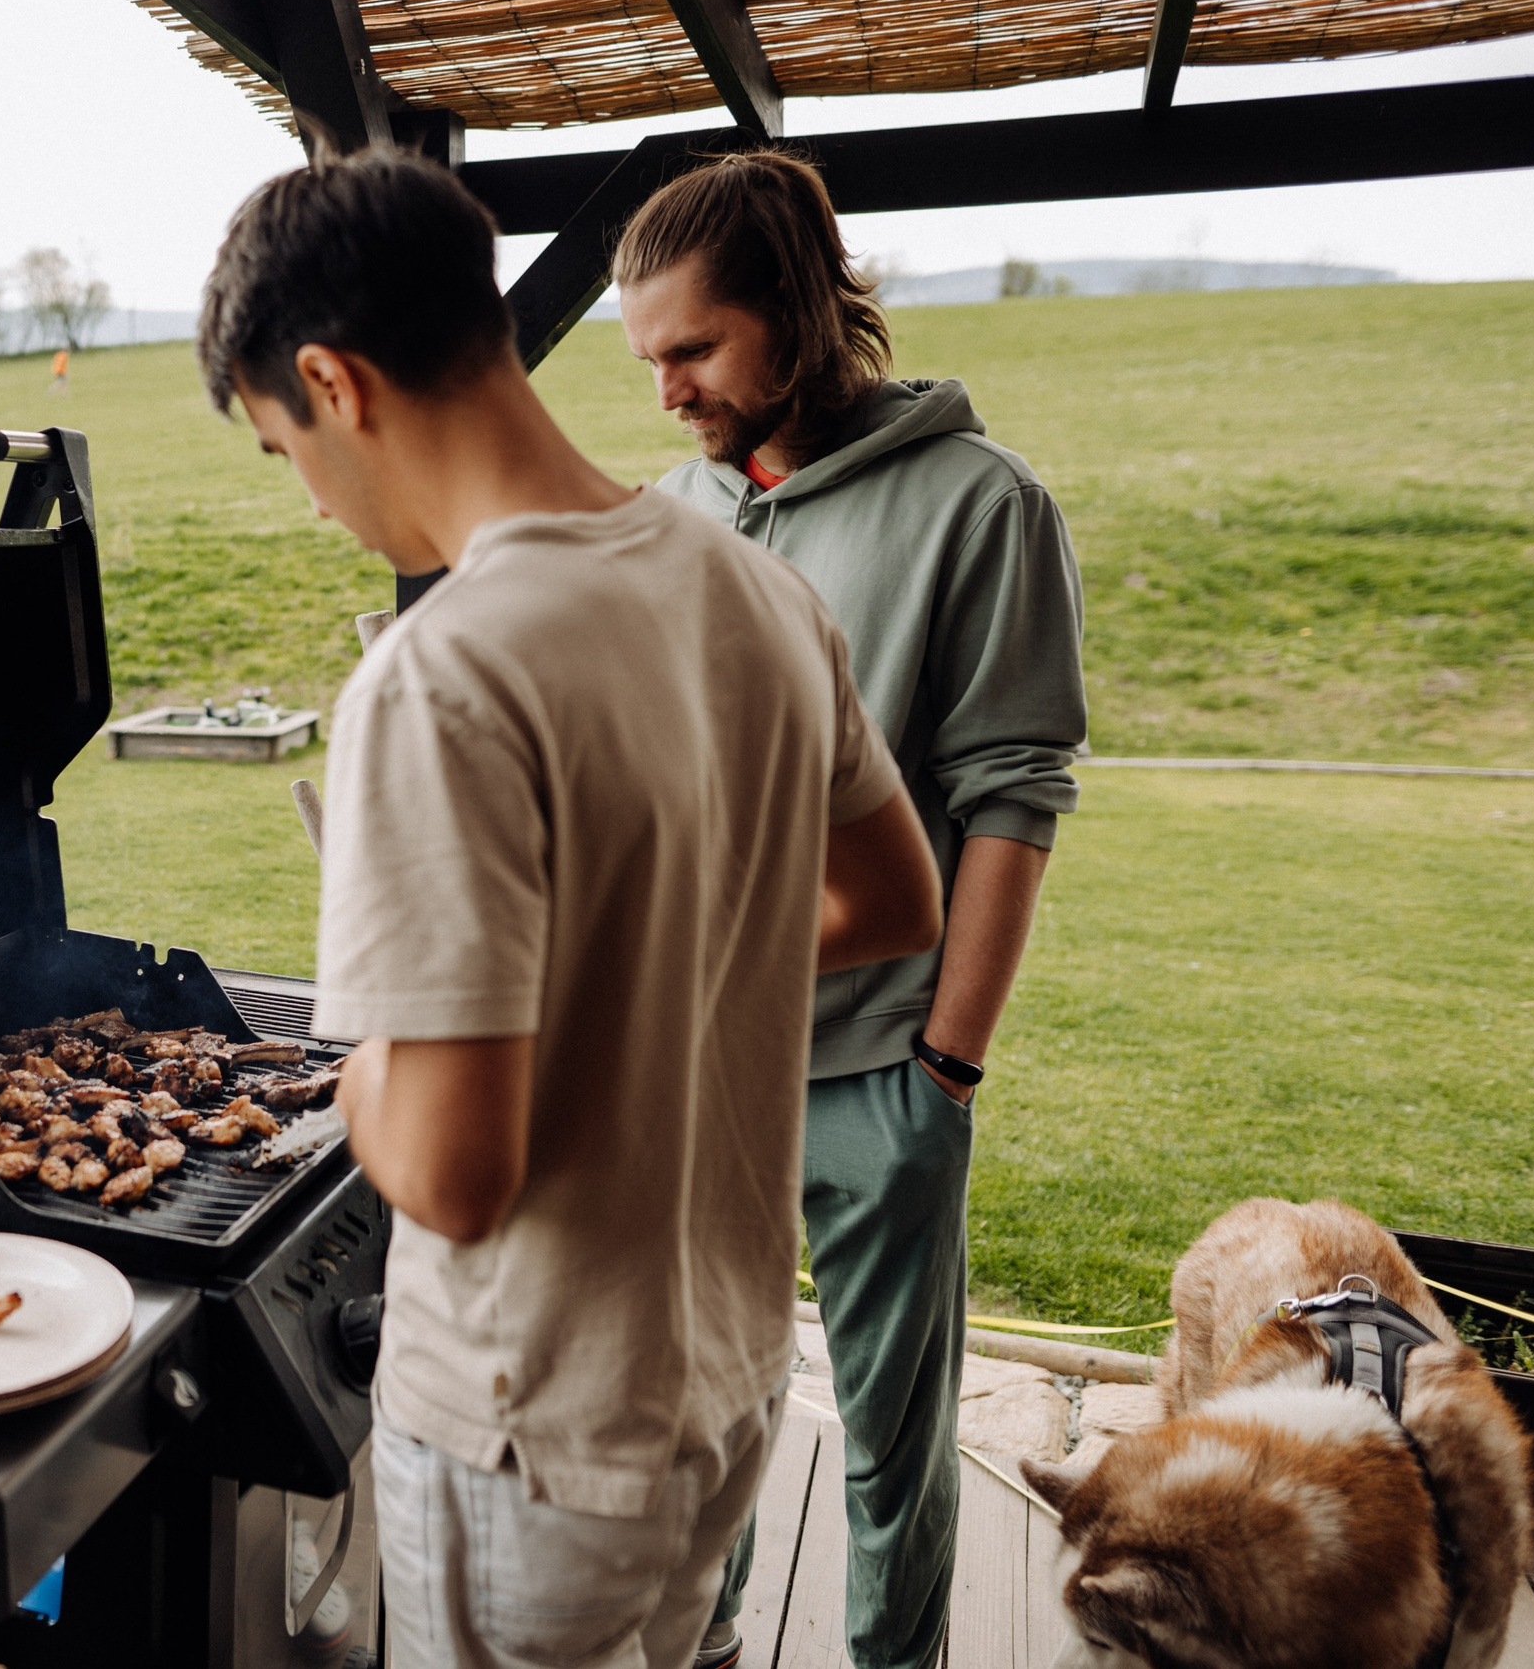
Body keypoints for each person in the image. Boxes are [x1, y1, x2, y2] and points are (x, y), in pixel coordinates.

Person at [197, 147, 948, 1669]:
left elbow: (459, 1174)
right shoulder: (750, 584)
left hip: (528, 1438)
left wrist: (353, 1074)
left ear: (334, 383)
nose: (317, 501)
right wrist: (657, 956)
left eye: (284, 449)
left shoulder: (440, 674)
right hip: (726, 1393)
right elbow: (891, 895)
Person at [614, 152, 1089, 1669]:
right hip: (698, 1072)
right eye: (650, 358)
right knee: (706, 1427)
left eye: (693, 349)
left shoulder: (984, 504)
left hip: (881, 1069)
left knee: (888, 1448)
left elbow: (1013, 798)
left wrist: (946, 1064)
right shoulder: (671, 510)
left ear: (804, 312)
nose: (669, 391)